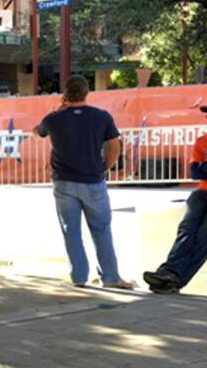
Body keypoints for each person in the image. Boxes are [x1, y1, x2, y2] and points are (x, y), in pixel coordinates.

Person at [33, 75, 135, 289]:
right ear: (87, 93)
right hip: (92, 180)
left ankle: (79, 277)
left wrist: (60, 110)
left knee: (71, 230)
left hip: (63, 183)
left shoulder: (53, 119)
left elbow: (36, 133)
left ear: (65, 94)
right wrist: (103, 168)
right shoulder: (101, 117)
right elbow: (115, 147)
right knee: (101, 229)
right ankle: (110, 277)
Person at [144, 105, 207, 294]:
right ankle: (169, 271)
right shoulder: (202, 141)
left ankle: (175, 280)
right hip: (201, 192)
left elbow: (201, 169)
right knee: (186, 229)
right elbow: (195, 172)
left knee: (204, 239)